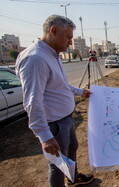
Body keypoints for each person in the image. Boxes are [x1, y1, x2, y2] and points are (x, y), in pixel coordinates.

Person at [15, 15, 94, 187]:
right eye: (68, 37)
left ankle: (72, 179)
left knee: (72, 148)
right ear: (53, 31)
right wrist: (45, 137)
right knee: (57, 165)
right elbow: (32, 101)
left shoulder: (53, 55)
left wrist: (81, 92)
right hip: (54, 125)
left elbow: (61, 85)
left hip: (65, 119)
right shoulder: (36, 59)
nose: (70, 42)